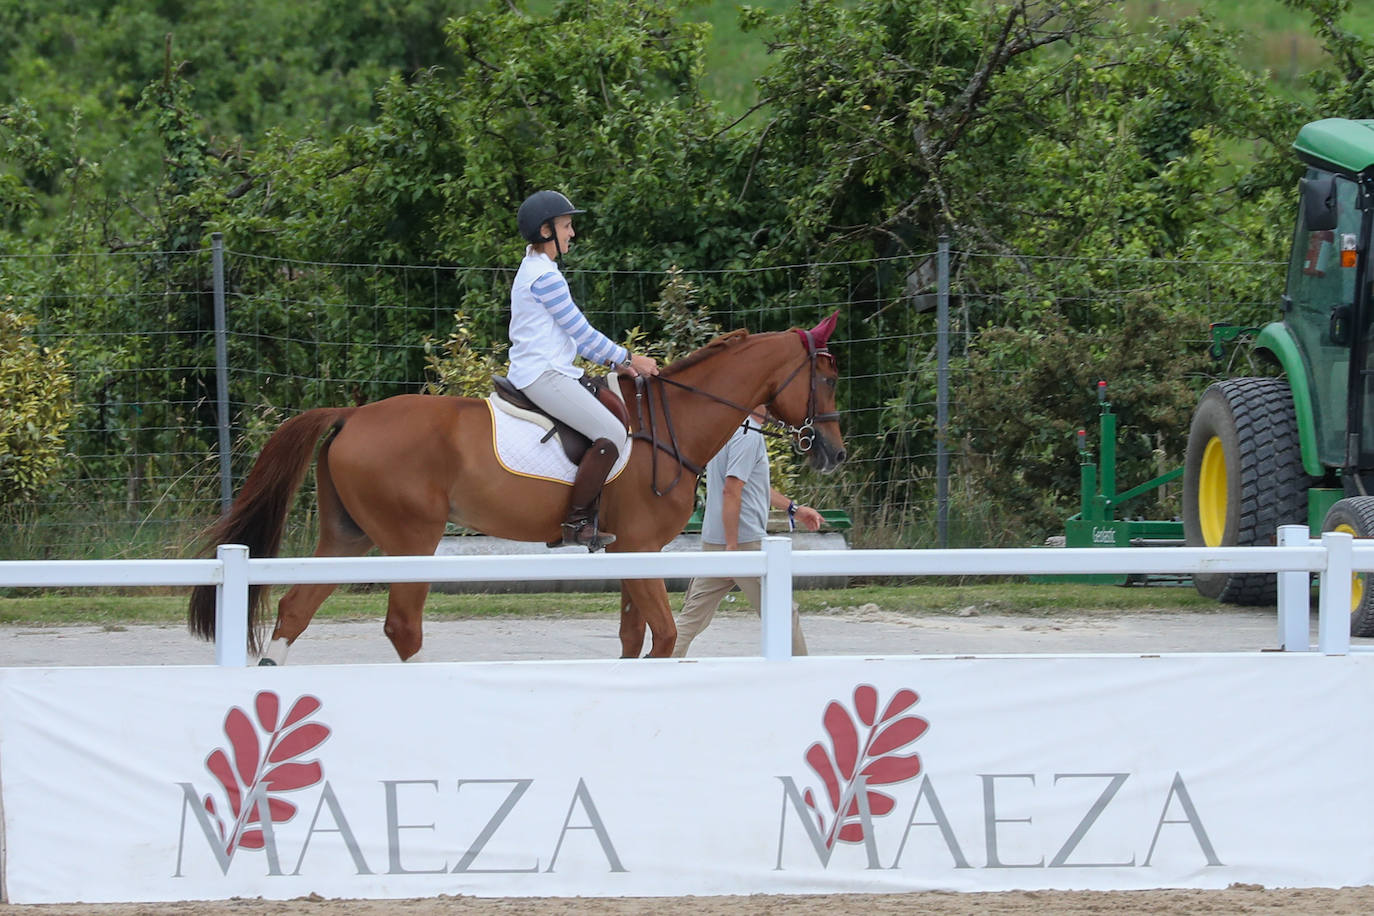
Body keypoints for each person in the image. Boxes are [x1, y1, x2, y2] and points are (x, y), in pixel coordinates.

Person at [508, 190, 659, 550]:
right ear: (546, 231)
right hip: (543, 374)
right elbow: (582, 331)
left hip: (552, 369)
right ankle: (577, 521)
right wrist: (631, 357)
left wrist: (619, 363)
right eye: (567, 225)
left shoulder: (540, 269)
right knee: (611, 430)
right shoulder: (545, 277)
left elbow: (578, 341)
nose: (572, 233)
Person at [672, 411, 824, 657]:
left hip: (717, 540)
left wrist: (793, 509)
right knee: (782, 613)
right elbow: (732, 490)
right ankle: (802, 677)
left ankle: (656, 670)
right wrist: (733, 549)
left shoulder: (727, 427)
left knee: (691, 620)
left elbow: (754, 483)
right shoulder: (748, 434)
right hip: (743, 543)